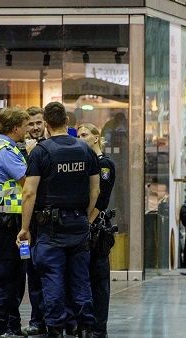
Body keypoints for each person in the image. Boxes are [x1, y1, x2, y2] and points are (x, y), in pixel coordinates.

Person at [17, 102, 100, 338]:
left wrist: (25, 228)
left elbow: (29, 192)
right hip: (78, 222)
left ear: (47, 124)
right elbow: (95, 190)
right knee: (80, 278)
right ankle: (85, 326)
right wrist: (84, 214)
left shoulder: (41, 152)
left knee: (52, 277)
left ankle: (54, 327)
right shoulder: (85, 149)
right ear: (66, 122)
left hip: (49, 225)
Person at [0, 107, 31, 338]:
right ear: (16, 127)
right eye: (25, 125)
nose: (28, 130)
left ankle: (10, 325)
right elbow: (26, 180)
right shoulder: (6, 151)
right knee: (6, 274)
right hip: (7, 218)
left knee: (14, 273)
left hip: (0, 216)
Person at [77, 123, 117, 338]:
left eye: (85, 135)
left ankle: (99, 328)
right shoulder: (84, 163)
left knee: (99, 280)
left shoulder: (104, 165)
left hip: (97, 227)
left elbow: (102, 197)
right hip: (82, 226)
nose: (81, 138)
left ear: (96, 137)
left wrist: (88, 222)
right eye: (78, 135)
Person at [20, 106, 46, 337]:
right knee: (33, 272)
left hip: (51, 218)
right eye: (31, 124)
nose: (35, 127)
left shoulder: (53, 147)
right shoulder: (19, 150)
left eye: (39, 122)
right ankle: (38, 319)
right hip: (29, 221)